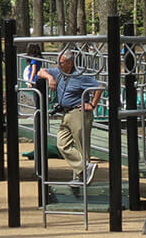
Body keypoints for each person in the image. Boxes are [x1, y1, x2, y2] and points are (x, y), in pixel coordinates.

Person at [39, 51, 102, 184]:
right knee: (62, 144)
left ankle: (82, 177)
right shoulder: (59, 73)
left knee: (82, 145)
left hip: (78, 113)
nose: (59, 65)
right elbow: (41, 71)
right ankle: (84, 168)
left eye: (61, 62)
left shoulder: (80, 76)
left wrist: (92, 104)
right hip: (65, 114)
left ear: (70, 63)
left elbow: (99, 87)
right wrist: (50, 78)